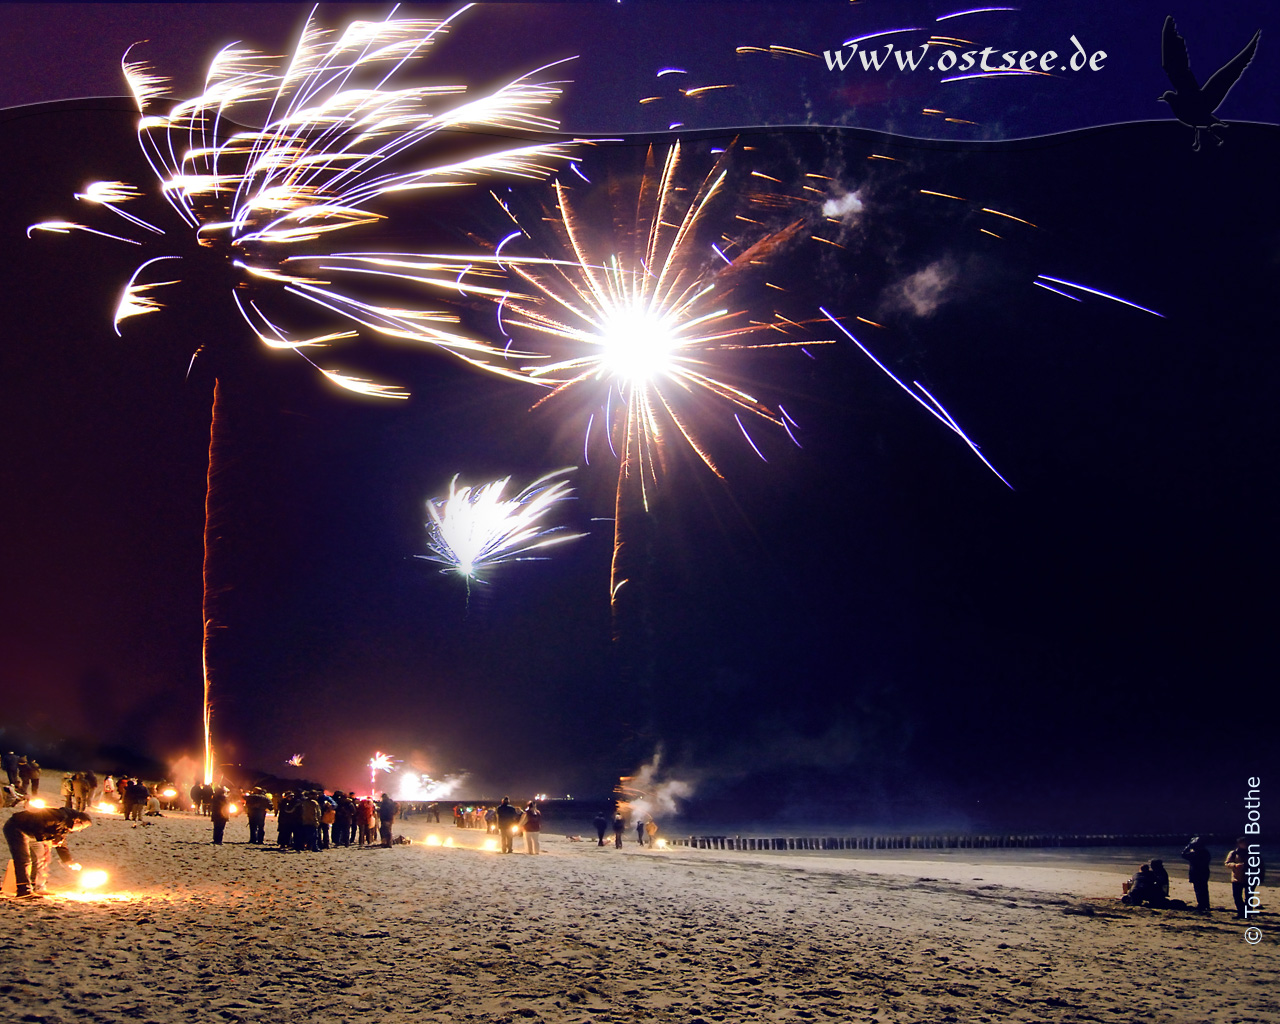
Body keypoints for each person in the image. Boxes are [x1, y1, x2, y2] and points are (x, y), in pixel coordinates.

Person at [3, 807, 92, 899]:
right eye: (81, 827)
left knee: (40, 857)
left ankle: (37, 886)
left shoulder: (66, 824)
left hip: (32, 834)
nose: (79, 830)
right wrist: (47, 839)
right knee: (23, 859)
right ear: (77, 821)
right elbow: (37, 825)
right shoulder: (57, 817)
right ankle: (23, 890)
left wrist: (69, 861)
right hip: (17, 828)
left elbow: (61, 842)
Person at [1181, 836, 1212, 912]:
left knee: (1198, 889)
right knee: (1203, 889)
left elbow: (1183, 854)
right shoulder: (1205, 852)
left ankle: (1202, 904)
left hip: (1196, 873)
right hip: (1204, 872)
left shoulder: (1195, 854)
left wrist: (1188, 846)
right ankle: (1205, 904)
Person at [1225, 837, 1252, 919]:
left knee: (1249, 897)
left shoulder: (1252, 853)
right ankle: (1241, 912)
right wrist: (1235, 865)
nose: (1244, 844)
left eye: (1245, 843)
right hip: (1237, 878)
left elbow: (1260, 866)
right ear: (1239, 844)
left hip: (1250, 878)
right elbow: (1227, 863)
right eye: (1242, 843)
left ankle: (1247, 913)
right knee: (1237, 896)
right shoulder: (1233, 853)